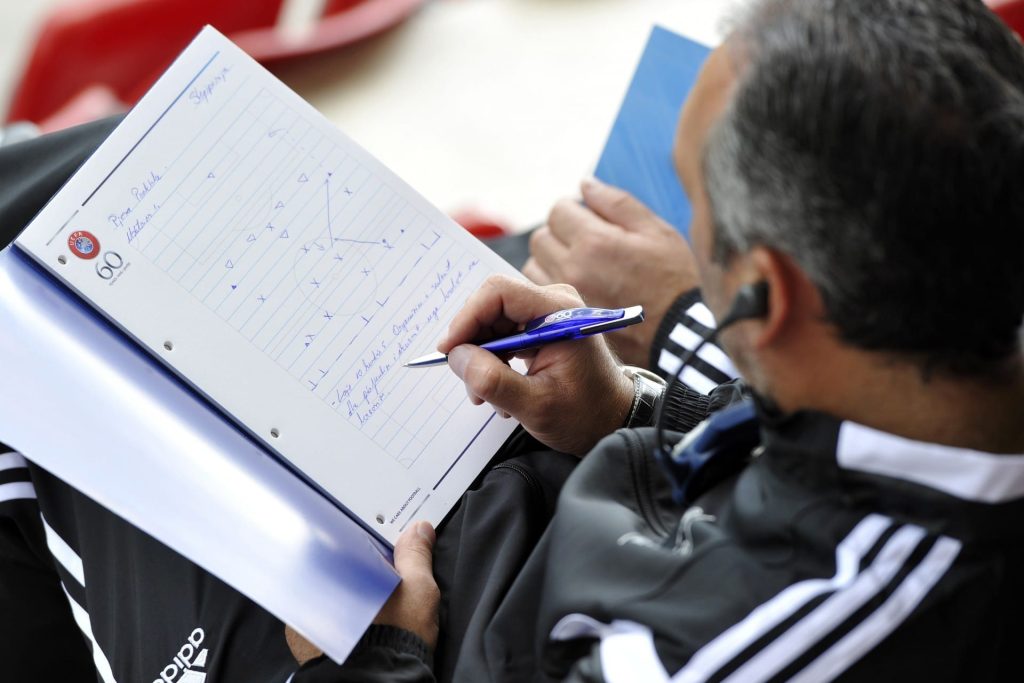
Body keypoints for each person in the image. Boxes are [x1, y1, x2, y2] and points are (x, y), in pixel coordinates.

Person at [3, 0, 1024, 681]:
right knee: (84, 193)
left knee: (36, 347)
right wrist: (628, 406)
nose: (675, 252)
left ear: (768, 297)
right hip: (571, 507)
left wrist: (374, 663)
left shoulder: (750, 648)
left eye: (696, 229)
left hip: (410, 630)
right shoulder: (949, 368)